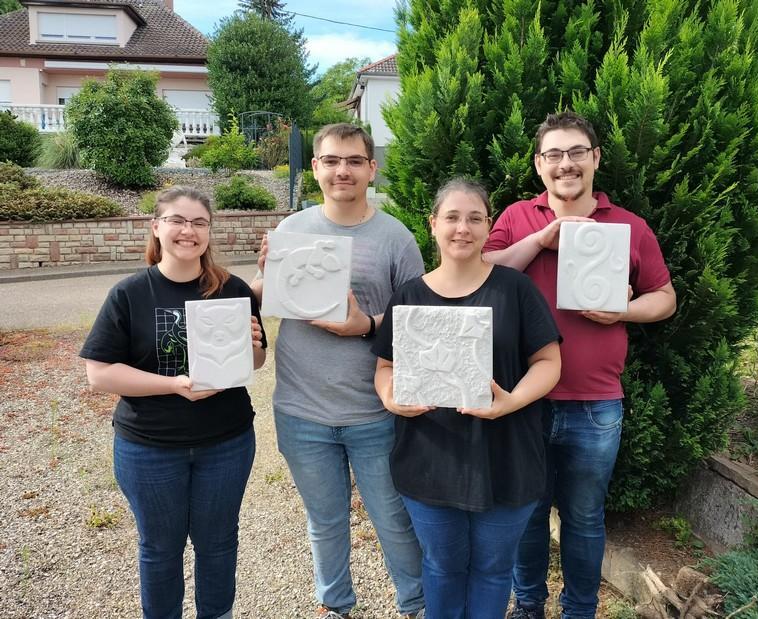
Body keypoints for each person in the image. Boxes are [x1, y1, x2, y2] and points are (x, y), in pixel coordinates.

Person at [483, 111, 677, 619]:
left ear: (594, 159)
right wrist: (542, 240)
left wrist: (625, 310)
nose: (565, 164)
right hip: (521, 399)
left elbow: (665, 298)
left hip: (595, 403)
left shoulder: (629, 226)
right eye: (553, 155)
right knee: (524, 515)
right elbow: (479, 273)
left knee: (585, 517)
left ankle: (580, 610)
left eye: (575, 153)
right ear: (538, 164)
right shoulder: (514, 218)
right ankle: (528, 606)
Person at [250, 123, 425, 619]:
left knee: (392, 518)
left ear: (371, 168)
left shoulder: (396, 237)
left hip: (373, 410)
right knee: (324, 520)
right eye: (331, 161)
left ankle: (417, 604)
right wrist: (253, 281)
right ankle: (336, 605)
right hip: (301, 409)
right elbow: (263, 295)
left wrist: (365, 325)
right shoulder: (291, 230)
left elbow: (417, 317)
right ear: (316, 169)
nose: (342, 170)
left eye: (353, 161)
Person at [373, 178, 562, 619]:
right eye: (453, 217)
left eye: (475, 218)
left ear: (488, 225)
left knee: (495, 571)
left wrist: (510, 402)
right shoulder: (409, 297)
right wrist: (390, 398)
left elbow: (549, 362)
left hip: (508, 455)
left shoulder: (514, 289)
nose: (463, 228)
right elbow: (384, 368)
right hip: (430, 459)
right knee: (441, 566)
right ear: (433, 224)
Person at [79, 186, 267, 619]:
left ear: (209, 232)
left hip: (226, 442)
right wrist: (176, 384)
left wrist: (251, 345)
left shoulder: (232, 288)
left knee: (218, 542)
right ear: (157, 227)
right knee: (159, 547)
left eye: (199, 223)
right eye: (178, 221)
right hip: (149, 446)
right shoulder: (129, 293)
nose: (189, 231)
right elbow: (100, 373)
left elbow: (254, 363)